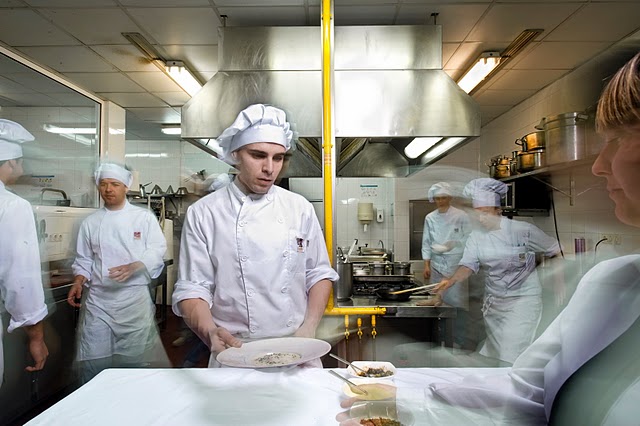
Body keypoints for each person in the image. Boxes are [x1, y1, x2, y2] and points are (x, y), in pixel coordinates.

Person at [172, 103, 338, 367]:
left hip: (296, 347)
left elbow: (319, 273)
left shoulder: (299, 208)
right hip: (235, 350)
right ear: (236, 154)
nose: (270, 168)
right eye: (258, 155)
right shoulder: (205, 212)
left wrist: (309, 328)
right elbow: (193, 288)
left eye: (278, 157)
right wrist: (209, 331)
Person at [434, 178, 560, 364]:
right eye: (477, 214)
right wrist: (449, 281)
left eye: (485, 213)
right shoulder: (476, 237)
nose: (481, 219)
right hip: (494, 304)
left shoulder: (522, 230)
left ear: (498, 210)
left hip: (523, 302)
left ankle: (512, 389)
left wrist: (559, 285)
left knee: (511, 354)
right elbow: (468, 266)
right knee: (493, 354)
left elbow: (555, 249)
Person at [67, 162, 167, 382]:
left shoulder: (143, 218)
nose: (108, 189)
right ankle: (92, 407)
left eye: (114, 184)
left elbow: (157, 249)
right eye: (103, 184)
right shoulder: (91, 222)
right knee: (94, 360)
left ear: (126, 187)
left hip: (133, 301)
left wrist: (136, 265)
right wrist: (79, 279)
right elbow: (84, 258)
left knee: (133, 361)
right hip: (99, 302)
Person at [0, 119, 48, 385]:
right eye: (20, 162)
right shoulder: (12, 206)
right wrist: (36, 337)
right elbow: (19, 278)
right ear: (10, 164)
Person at [419, 182, 472, 348]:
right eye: (437, 198)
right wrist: (426, 264)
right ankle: (440, 341)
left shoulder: (461, 215)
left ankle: (459, 342)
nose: (440, 201)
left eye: (443, 198)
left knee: (456, 304)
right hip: (436, 262)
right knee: (438, 299)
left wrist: (454, 244)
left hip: (456, 263)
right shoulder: (430, 217)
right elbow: (426, 241)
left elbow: (470, 238)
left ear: (449, 198)